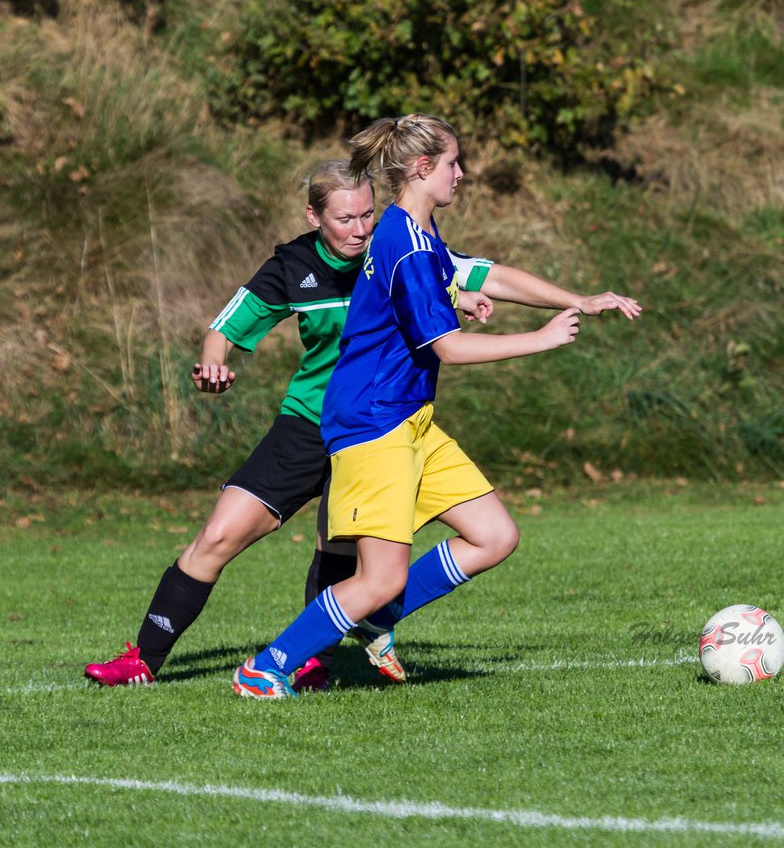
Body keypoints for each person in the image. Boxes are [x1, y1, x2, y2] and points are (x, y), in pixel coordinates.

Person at [86, 159, 636, 690]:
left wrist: (574, 299)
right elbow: (225, 327)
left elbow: (489, 273)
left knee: (340, 552)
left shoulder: (394, 246)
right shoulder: (292, 268)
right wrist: (214, 362)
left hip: (377, 428)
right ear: (313, 217)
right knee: (219, 535)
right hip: (310, 423)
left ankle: (303, 661)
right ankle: (145, 658)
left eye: (366, 214)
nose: (359, 228)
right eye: (344, 219)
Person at [232, 114, 640, 697]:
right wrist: (542, 338)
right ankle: (265, 668)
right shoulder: (404, 240)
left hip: (411, 420)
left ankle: (378, 617)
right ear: (423, 169)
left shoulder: (413, 234)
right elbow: (444, 346)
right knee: (377, 577)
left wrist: (576, 298)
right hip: (375, 423)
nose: (462, 173)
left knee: (493, 535)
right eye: (453, 163)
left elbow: (478, 279)